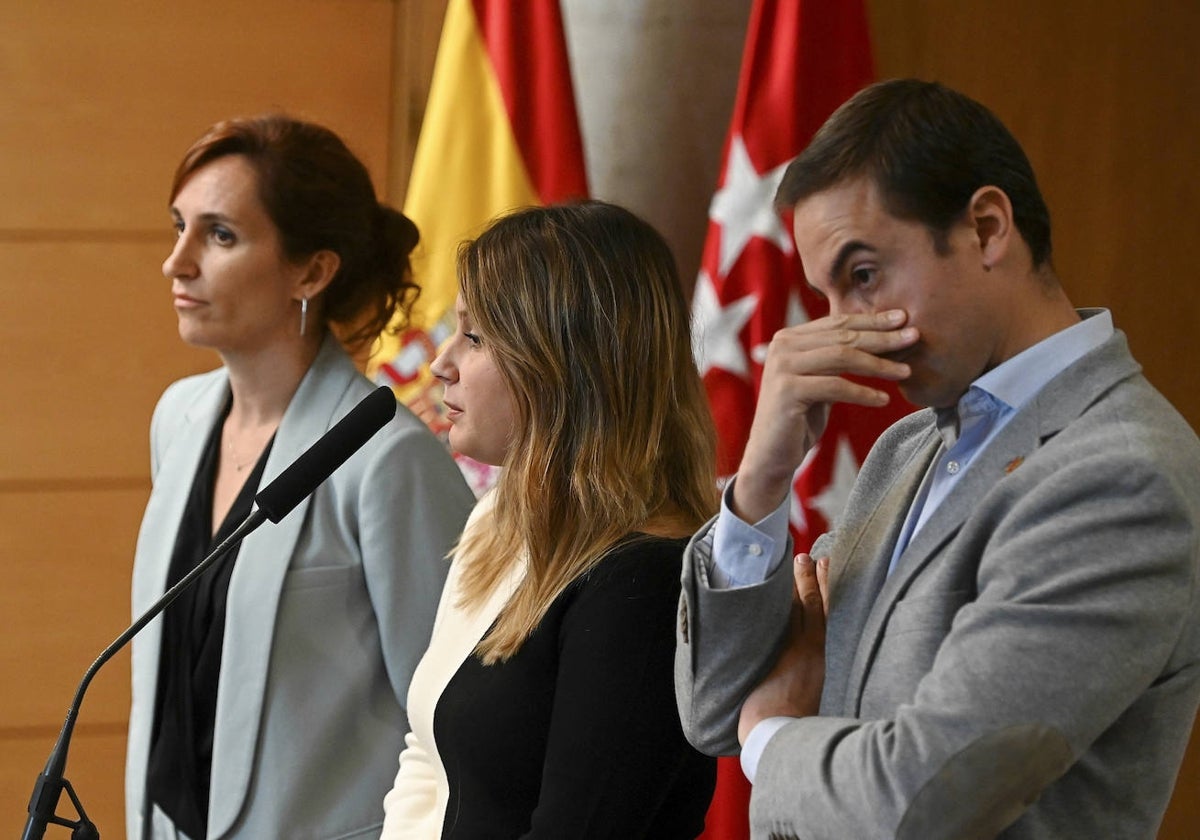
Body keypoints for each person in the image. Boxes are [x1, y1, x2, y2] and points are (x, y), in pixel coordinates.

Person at [674, 78, 1200, 839]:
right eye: (826, 296)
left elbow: (925, 799)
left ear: (988, 228)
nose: (842, 334)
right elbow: (714, 708)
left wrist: (772, 739)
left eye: (863, 277)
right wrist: (760, 482)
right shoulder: (906, 446)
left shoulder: (1122, 474)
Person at [125, 114, 476, 840]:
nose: (177, 262)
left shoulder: (386, 458)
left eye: (219, 235)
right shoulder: (179, 418)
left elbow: (450, 724)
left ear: (312, 271)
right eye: (178, 227)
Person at [381, 200, 719, 838]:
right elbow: (426, 760)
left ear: (567, 364)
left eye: (475, 337)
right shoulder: (498, 520)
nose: (440, 363)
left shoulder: (645, 580)